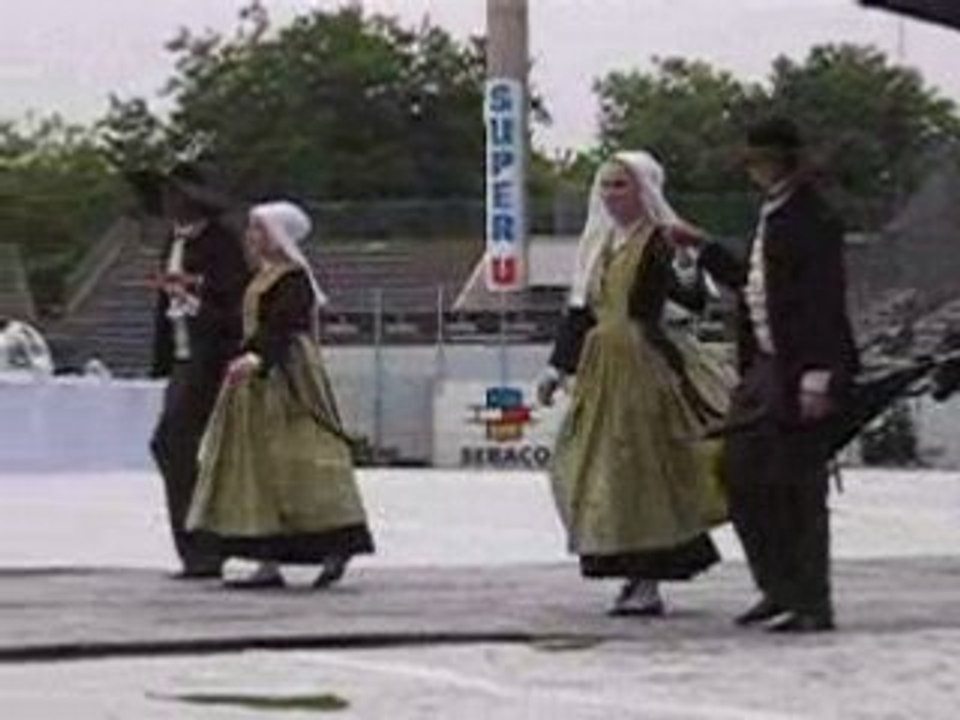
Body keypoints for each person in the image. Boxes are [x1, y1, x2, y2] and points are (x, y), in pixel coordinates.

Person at [673, 118, 859, 633]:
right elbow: (754, 286)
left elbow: (823, 299)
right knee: (741, 473)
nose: (753, 168)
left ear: (781, 161)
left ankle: (809, 600)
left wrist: (820, 374)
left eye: (760, 159)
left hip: (802, 365)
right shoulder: (771, 214)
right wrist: (706, 248)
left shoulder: (812, 217)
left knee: (798, 486)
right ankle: (777, 586)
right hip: (767, 367)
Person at [538, 151, 732, 616]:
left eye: (620, 186)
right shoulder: (600, 246)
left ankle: (646, 576)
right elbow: (581, 311)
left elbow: (691, 301)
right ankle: (628, 569)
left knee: (639, 468)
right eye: (605, 186)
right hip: (603, 366)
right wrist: (555, 367)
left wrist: (691, 269)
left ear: (644, 190)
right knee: (592, 464)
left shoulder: (659, 242)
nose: (609, 195)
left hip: (644, 365)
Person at [187, 201, 374, 589]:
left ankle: (334, 541)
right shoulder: (260, 277)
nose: (250, 237)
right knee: (257, 465)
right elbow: (239, 321)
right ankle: (266, 557)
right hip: (253, 376)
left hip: (285, 373)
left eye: (258, 229)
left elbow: (284, 325)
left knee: (301, 455)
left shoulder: (293, 279)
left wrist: (257, 356)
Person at [143, 161, 250, 579]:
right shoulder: (172, 238)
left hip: (212, 357)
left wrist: (194, 292)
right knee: (172, 446)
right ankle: (197, 545)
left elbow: (232, 302)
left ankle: (205, 544)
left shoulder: (221, 243)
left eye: (176, 196)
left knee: (176, 443)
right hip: (184, 354)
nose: (170, 204)